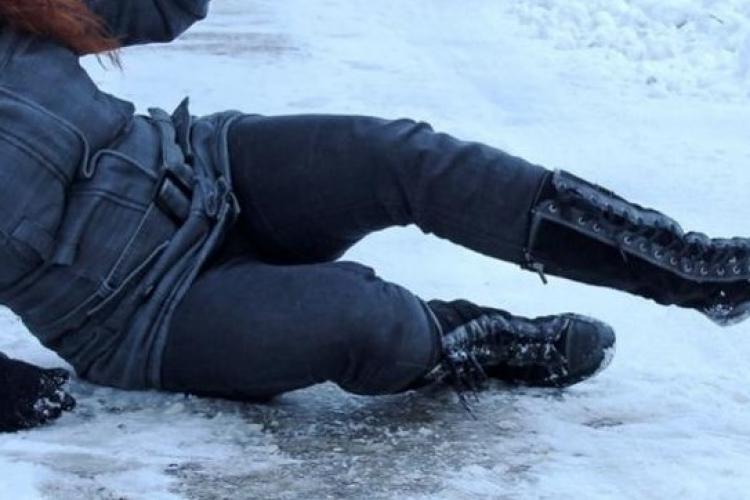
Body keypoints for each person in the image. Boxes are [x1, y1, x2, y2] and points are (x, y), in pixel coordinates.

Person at [1, 0, 747, 433]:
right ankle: (477, 340)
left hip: (206, 166)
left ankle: (689, 267)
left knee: (398, 154)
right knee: (364, 318)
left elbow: (165, 6)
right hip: (141, 313)